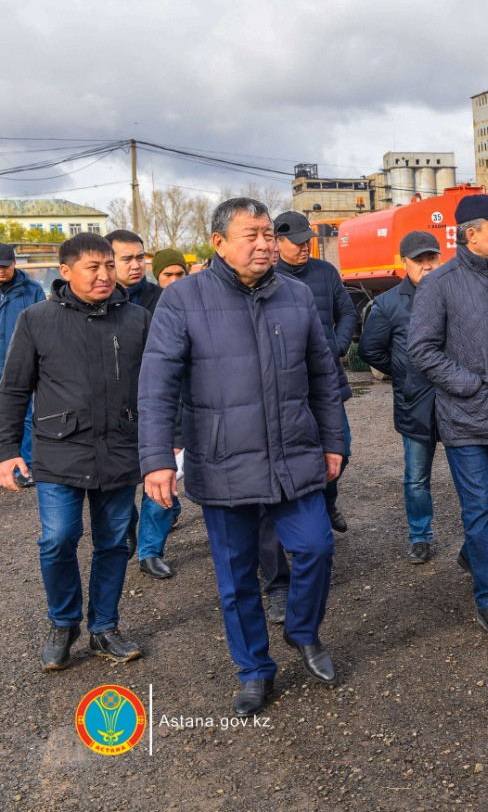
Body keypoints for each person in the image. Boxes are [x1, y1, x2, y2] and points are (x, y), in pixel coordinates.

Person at [138, 198, 345, 716]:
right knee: (235, 578)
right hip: (223, 458)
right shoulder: (183, 299)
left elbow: (324, 377)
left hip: (293, 455)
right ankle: (254, 669)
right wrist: (156, 457)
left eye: (268, 234)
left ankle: (302, 630)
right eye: (250, 235)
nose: (264, 244)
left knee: (316, 547)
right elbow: (157, 385)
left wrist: (334, 443)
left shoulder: (296, 295)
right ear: (219, 243)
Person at [0, 233, 149, 670]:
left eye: (109, 265)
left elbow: (159, 386)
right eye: (93, 267)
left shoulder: (137, 319)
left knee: (114, 542)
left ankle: (104, 627)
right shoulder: (36, 319)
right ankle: (63, 623)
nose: (105, 275)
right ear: (66, 272)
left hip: (120, 448)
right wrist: (7, 450)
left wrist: (166, 441)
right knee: (57, 539)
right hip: (59, 449)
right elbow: (14, 389)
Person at [407, 194, 488, 636]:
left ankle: (473, 553)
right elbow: (421, 349)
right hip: (465, 415)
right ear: (470, 235)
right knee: (479, 506)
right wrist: (469, 384)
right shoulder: (439, 284)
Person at [256, 212, 357, 623]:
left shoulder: (325, 273)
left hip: (327, 381)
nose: (304, 247)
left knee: (339, 450)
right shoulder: (267, 280)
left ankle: (326, 503)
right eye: (296, 241)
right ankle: (279, 580)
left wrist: (335, 347)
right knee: (273, 487)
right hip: (283, 393)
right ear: (276, 242)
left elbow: (348, 313)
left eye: (307, 240)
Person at [357, 231, 441, 563]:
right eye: (419, 260)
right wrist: (404, 373)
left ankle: (480, 536)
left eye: (432, 258)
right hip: (415, 404)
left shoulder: (453, 293)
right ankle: (420, 536)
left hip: (456, 402)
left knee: (472, 473)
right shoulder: (389, 304)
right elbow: (369, 350)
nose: (427, 265)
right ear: (403, 262)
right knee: (417, 477)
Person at [133, 249, 189, 579]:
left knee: (167, 474)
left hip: (182, 403)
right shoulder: (142, 307)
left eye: (180, 274)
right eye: (167, 275)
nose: (174, 281)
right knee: (155, 476)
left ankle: (150, 549)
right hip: (147, 402)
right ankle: (147, 547)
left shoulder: (192, 302)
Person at [108, 229, 162, 558]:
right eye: (126, 258)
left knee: (161, 471)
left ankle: (150, 551)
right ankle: (128, 526)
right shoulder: (99, 304)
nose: (136, 265)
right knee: (121, 477)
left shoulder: (164, 298)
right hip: (118, 405)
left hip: (159, 399)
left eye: (140, 257)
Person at [0, 242, 45, 489]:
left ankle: (24, 467)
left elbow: (41, 326)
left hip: (19, 362)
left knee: (25, 415)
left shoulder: (32, 290)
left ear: (15, 263)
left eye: (5, 266)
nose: (1, 270)